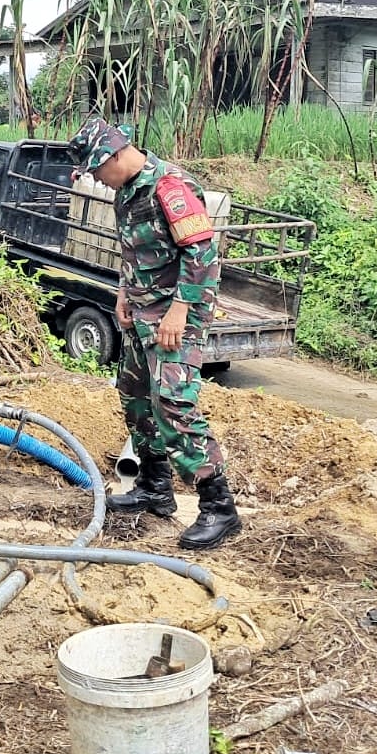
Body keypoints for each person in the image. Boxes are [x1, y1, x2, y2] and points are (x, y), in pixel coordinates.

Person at [66, 117, 240, 551]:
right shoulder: (127, 192)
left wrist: (180, 310)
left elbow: (202, 253)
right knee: (136, 395)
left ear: (117, 154)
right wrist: (123, 292)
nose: (99, 181)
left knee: (174, 404)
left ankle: (219, 506)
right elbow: (133, 251)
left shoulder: (171, 187)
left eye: (98, 171)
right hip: (144, 313)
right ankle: (154, 487)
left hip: (176, 314)